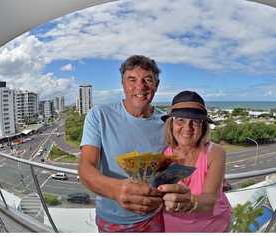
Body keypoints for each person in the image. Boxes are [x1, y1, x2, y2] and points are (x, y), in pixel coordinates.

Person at [79, 55, 165, 232]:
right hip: (114, 222)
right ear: (123, 84)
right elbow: (86, 167)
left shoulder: (167, 122)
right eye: (131, 79)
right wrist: (116, 190)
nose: (140, 86)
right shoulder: (99, 115)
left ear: (157, 84)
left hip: (156, 216)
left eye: (147, 80)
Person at [158, 90, 232, 232]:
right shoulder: (164, 155)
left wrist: (190, 202)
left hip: (212, 227)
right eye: (180, 120)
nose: (188, 128)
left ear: (203, 126)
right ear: (171, 124)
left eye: (195, 121)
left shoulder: (215, 153)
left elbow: (210, 200)